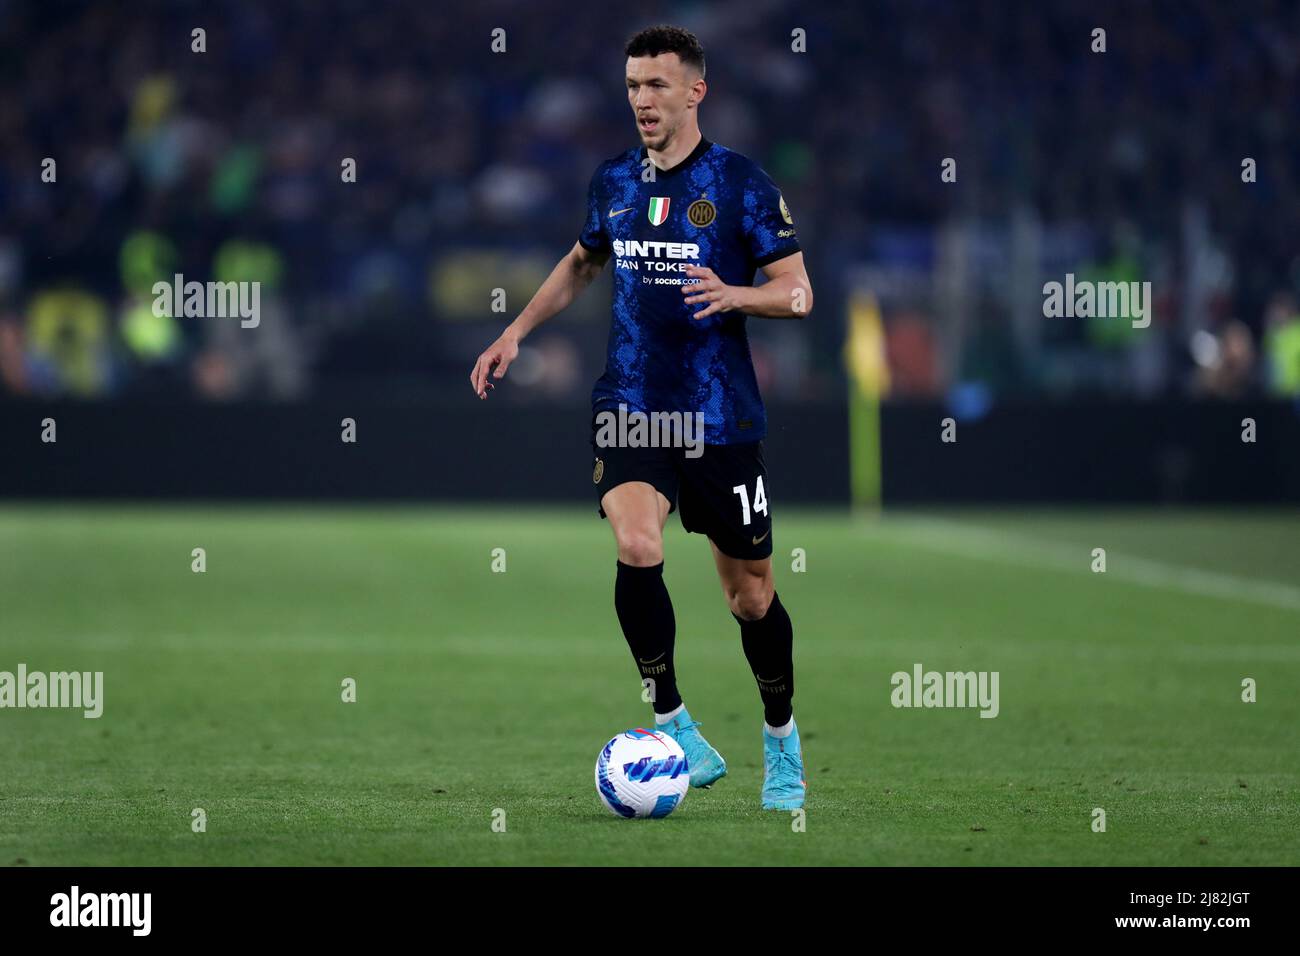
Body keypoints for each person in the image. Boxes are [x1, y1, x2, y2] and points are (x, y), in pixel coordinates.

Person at [470, 25, 813, 809]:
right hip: (631, 402)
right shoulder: (615, 180)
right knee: (634, 541)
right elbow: (584, 260)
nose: (642, 101)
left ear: (697, 91)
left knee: (750, 596)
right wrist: (516, 332)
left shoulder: (742, 184)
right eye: (632, 86)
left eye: (657, 85)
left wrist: (737, 294)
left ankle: (781, 740)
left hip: (720, 418)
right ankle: (676, 723)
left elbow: (799, 292)